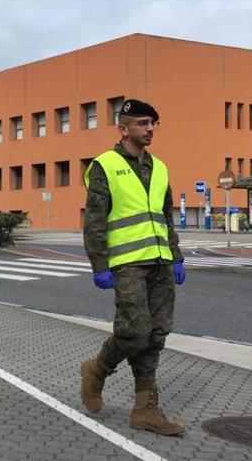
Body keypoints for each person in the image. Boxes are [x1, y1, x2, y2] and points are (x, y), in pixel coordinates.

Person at [79, 99, 186, 436]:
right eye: (142, 123)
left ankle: (145, 410)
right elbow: (94, 221)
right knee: (134, 332)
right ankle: (97, 369)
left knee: (156, 334)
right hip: (126, 264)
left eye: (153, 123)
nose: (150, 128)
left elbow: (165, 218)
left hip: (160, 263)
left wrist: (177, 256)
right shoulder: (105, 166)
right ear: (123, 129)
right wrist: (99, 264)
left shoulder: (161, 168)